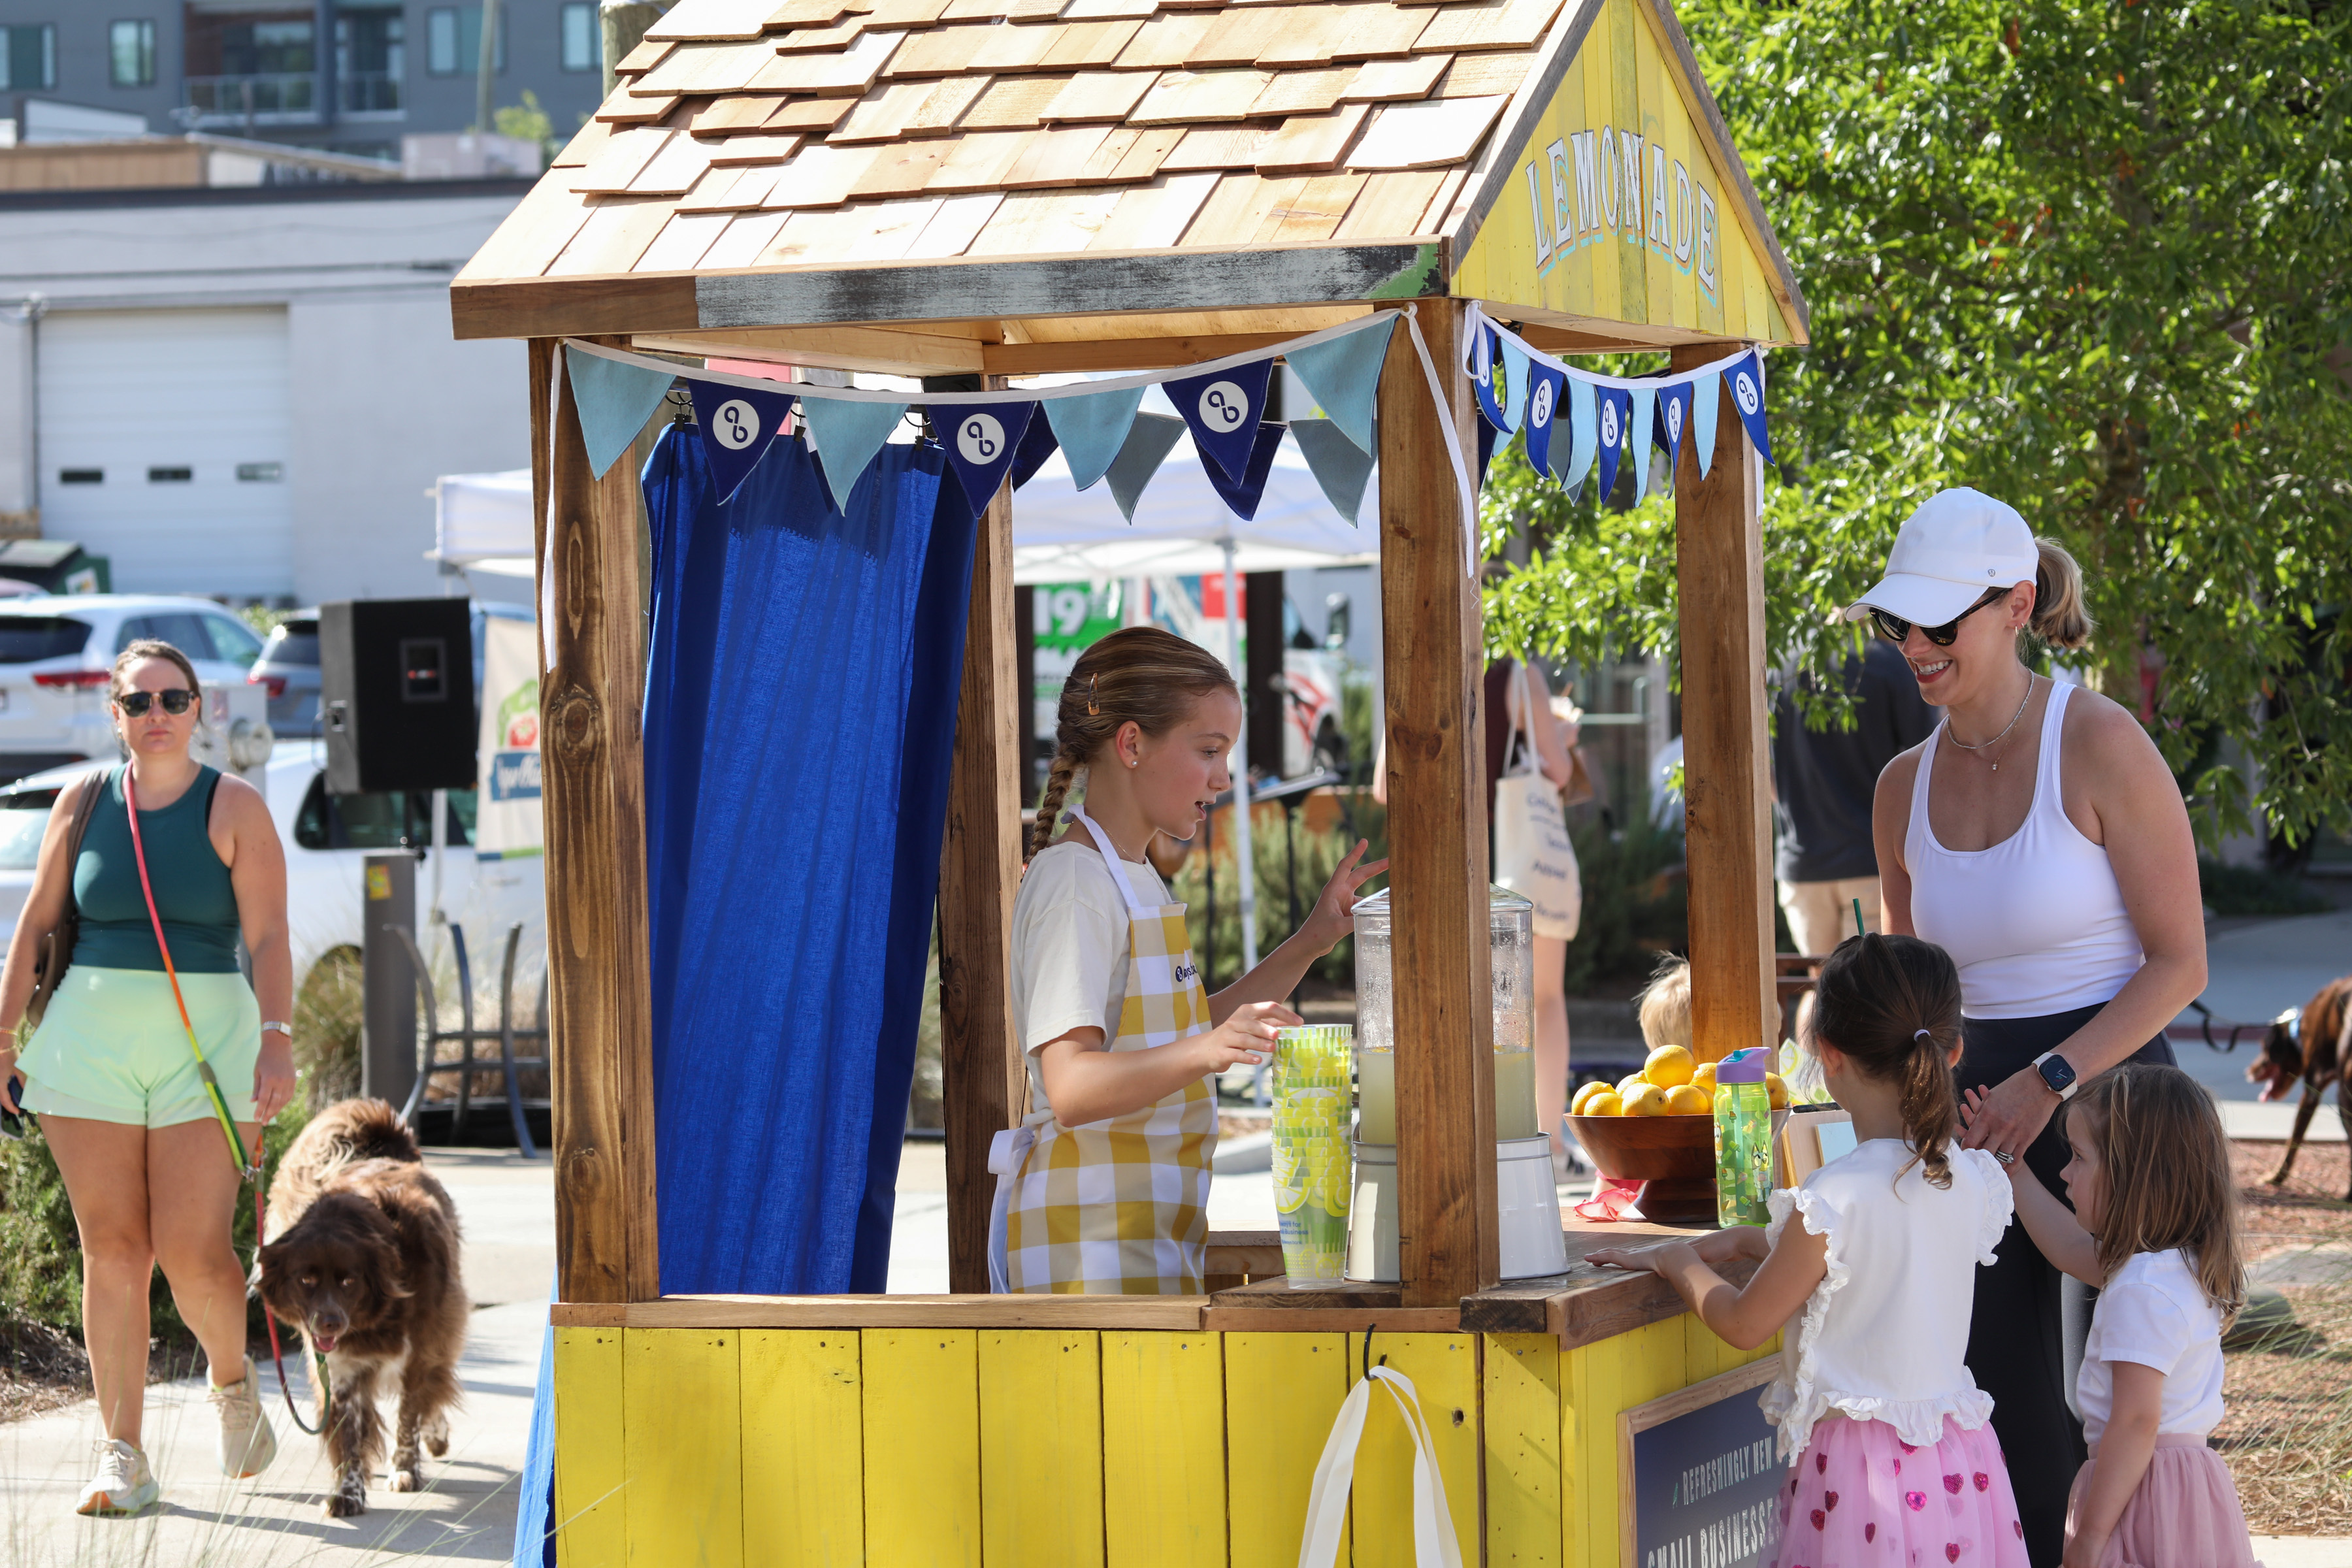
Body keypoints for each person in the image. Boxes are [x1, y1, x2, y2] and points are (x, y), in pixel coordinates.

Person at [1860, 487, 2206, 1566]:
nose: (1915, 645)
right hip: (1974, 1115)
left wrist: (2050, 1078)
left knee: (2124, 1414)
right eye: (1897, 622)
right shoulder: (1901, 786)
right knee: (1996, 1401)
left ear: (2017, 606)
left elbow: (2182, 962)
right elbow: (1913, 992)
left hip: (2117, 1102)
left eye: (1939, 621)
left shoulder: (2100, 741)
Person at [1586, 934, 2024, 1568]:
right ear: (1952, 1051)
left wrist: (1675, 1261)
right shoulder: (1971, 1177)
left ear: (1828, 1053)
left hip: (1862, 1480)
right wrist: (1752, 1239)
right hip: (1954, 1467)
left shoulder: (1835, 1193)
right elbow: (1876, 1258)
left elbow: (1745, 1323)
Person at [0, 640, 297, 1515]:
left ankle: (231, 1382)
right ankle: (122, 1455)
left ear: (198, 708)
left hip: (209, 1048)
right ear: (115, 714)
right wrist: (2, 1037)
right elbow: (35, 926)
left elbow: (270, 937)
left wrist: (277, 1040)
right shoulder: (83, 802)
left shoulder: (234, 804)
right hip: (87, 1045)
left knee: (193, 1252)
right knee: (114, 1250)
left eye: (172, 699)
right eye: (138, 702)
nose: (156, 714)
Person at [997, 626, 1384, 1294]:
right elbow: (1072, 1087)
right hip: (1085, 1265)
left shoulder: (1135, 874)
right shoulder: (1076, 884)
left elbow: (1182, 1031)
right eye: (1209, 750)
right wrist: (1209, 1050)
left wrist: (1313, 940)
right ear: (1131, 744)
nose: (1223, 778)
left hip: (1137, 1251)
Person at [1968, 1066, 2257, 1568]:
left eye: (2079, 1158)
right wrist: (2009, 1166)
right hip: (2178, 1485)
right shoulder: (2175, 1266)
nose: (2065, 1172)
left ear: (2133, 1176)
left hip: (2140, 1487)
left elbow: (2136, 1420)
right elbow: (2068, 1248)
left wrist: (2090, 1539)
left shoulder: (2142, 1289)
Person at [1375, 656, 1584, 1169]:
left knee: (1447, 997)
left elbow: (1383, 787)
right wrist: (1561, 736)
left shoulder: (1414, 670)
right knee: (1542, 999)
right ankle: (1546, 1143)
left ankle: (1450, 1136)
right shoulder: (1517, 674)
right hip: (1510, 862)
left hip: (1437, 863)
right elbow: (1558, 770)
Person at [1772, 638, 1935, 954]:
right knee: (1869, 980)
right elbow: (1929, 763)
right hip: (1871, 864)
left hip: (1803, 862)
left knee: (1820, 978)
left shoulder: (1783, 667)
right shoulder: (1890, 664)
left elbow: (1765, 772)